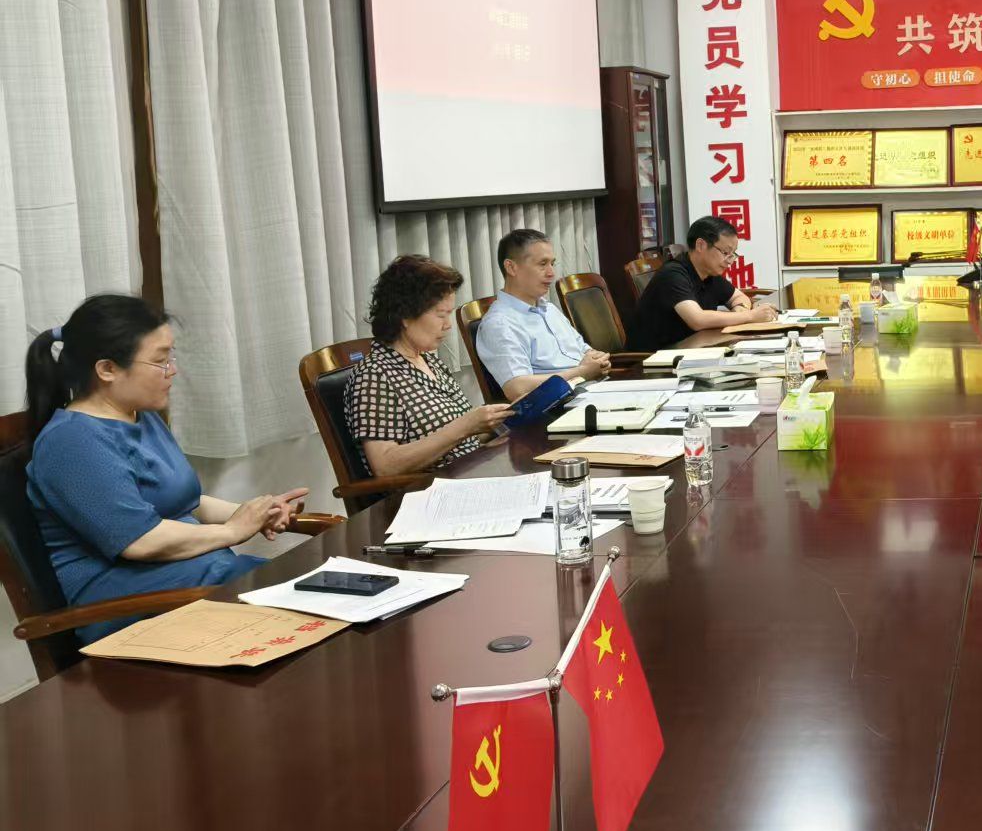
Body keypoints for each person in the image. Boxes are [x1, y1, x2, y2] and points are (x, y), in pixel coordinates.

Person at [23, 295, 306, 641]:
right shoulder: (71, 441)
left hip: (192, 579)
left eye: (171, 357)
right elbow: (140, 541)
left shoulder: (140, 414)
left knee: (301, 587)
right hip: (123, 605)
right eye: (160, 361)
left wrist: (257, 513)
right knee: (292, 594)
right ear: (107, 369)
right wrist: (233, 531)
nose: (172, 370)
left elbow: (186, 502)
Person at [346, 255, 512, 477]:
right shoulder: (374, 375)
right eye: (441, 315)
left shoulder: (428, 360)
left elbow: (462, 439)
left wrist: (495, 422)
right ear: (405, 315)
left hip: (471, 472)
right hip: (431, 489)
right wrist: (465, 426)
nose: (448, 325)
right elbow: (385, 466)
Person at [475, 228, 612, 401]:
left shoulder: (549, 309)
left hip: (592, 390)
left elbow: (583, 349)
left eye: (552, 264)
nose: (551, 273)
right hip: (559, 405)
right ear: (511, 267)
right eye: (542, 264)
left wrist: (598, 359)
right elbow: (517, 388)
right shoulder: (500, 323)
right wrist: (582, 372)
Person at [630, 216, 779, 351]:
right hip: (654, 359)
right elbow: (697, 320)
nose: (730, 261)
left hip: (691, 347)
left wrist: (740, 309)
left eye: (733, 254)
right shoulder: (673, 274)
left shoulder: (709, 272)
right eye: (725, 252)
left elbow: (739, 297)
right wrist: (750, 316)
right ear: (700, 245)